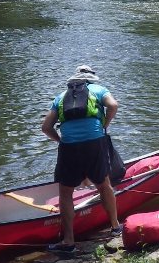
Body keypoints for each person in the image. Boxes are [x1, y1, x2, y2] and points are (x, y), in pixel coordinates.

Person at [41, 65, 122, 252]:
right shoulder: (99, 90)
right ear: (91, 79)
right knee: (104, 185)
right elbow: (113, 105)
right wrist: (104, 125)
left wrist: (61, 140)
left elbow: (46, 127)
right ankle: (115, 227)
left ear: (74, 80)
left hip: (69, 146)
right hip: (95, 142)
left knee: (66, 192)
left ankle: (68, 241)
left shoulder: (61, 97)